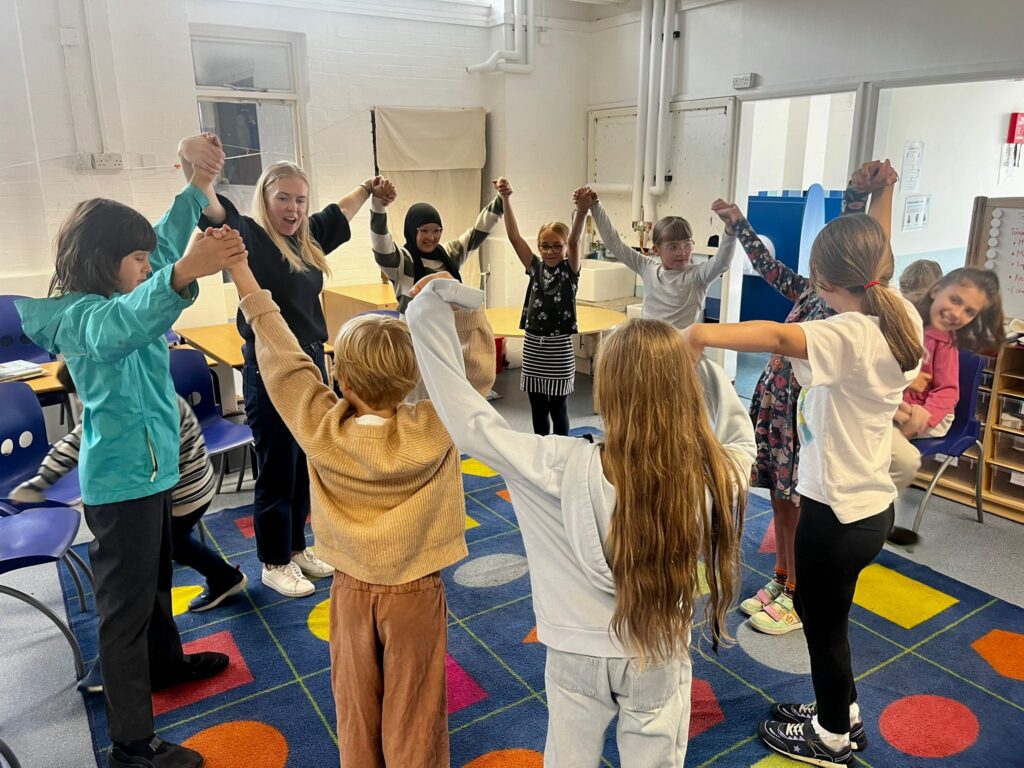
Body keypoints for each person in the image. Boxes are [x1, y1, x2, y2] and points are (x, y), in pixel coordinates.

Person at [405, 274, 755, 766]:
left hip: (573, 651)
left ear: (606, 390)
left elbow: (470, 423)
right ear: (684, 390)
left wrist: (427, 311)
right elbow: (741, 440)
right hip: (657, 650)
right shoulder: (708, 476)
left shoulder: (553, 464)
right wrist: (700, 364)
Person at [16, 145, 247, 768]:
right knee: (124, 614)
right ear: (101, 261)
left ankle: (165, 664)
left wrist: (197, 184)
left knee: (155, 583)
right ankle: (132, 746)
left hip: (152, 472)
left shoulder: (133, 286)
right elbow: (121, 324)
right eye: (138, 259)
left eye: (149, 260)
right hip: (121, 485)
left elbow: (166, 244)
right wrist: (182, 271)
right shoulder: (81, 318)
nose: (151, 266)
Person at [223, 255, 495, 768]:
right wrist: (462, 301)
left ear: (340, 377)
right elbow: (476, 374)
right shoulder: (438, 424)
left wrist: (242, 273)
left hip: (349, 592)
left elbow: (283, 359)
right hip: (416, 592)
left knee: (355, 706)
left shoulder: (319, 426)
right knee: (415, 709)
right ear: (412, 377)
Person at [684, 213, 924, 767]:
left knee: (824, 630)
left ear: (822, 281)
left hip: (835, 514)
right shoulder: (899, 314)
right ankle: (841, 711)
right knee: (831, 622)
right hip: (870, 508)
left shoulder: (849, 332)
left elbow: (775, 335)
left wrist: (698, 334)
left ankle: (831, 737)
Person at [178, 135, 390, 598]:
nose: (293, 208)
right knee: (277, 466)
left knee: (304, 461)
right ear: (265, 198)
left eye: (300, 200)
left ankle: (295, 547)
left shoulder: (306, 239)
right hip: (270, 365)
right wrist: (200, 170)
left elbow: (340, 213)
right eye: (283, 198)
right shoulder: (250, 236)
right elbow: (212, 208)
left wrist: (367, 188)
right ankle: (273, 561)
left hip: (311, 361)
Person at [709, 160, 897, 636]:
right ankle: (782, 578)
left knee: (797, 504)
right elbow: (768, 266)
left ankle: (797, 592)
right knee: (779, 501)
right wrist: (739, 224)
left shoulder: (854, 309)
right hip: (775, 411)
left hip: (803, 420)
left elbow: (863, 245)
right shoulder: (811, 290)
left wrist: (869, 194)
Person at [11, 363, 246, 614]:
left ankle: (223, 578)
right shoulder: (132, 395)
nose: (80, 399)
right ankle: (219, 575)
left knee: (166, 545)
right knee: (170, 542)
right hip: (191, 483)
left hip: (184, 493)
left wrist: (47, 481)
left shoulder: (136, 409)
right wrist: (42, 479)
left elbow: (122, 457)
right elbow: (78, 440)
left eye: (82, 390)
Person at [888, 266, 1004, 541]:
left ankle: (879, 518)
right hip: (898, 405)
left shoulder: (945, 342)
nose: (957, 313)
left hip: (934, 416)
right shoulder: (908, 324)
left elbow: (948, 391)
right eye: (955, 301)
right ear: (936, 291)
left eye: (969, 311)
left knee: (882, 450)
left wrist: (923, 415)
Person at [493, 177, 585, 436]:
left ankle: (562, 449)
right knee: (538, 408)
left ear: (565, 248)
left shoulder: (570, 271)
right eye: (545, 246)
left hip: (559, 349)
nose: (550, 251)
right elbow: (514, 237)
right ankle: (541, 448)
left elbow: (576, 241)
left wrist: (581, 211)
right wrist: (505, 198)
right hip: (534, 346)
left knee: (558, 408)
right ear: (539, 247)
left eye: (557, 246)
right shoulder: (534, 267)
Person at [573, 186, 736, 329]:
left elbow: (722, 262)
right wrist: (595, 206)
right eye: (673, 247)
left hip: (678, 347)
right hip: (649, 344)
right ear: (656, 250)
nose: (682, 252)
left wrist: (730, 229)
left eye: (687, 244)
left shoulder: (698, 276)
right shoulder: (648, 268)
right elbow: (614, 244)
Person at [369, 178, 504, 312]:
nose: (431, 237)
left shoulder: (448, 254)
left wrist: (501, 199)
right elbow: (381, 246)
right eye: (424, 231)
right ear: (412, 231)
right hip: (413, 325)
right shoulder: (402, 261)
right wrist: (378, 205)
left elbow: (477, 233)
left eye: (436, 230)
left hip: (451, 323)